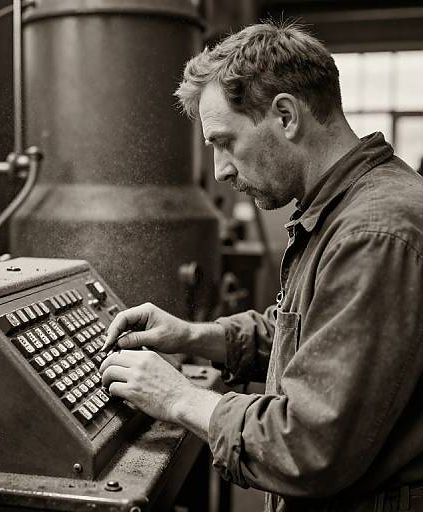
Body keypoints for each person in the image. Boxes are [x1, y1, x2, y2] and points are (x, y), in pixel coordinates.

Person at [100, 21, 423, 512]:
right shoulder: (346, 209)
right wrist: (191, 336)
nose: (221, 171)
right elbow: (314, 337)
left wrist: (178, 398)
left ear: (286, 115)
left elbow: (309, 448)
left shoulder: (374, 232)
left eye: (225, 142)